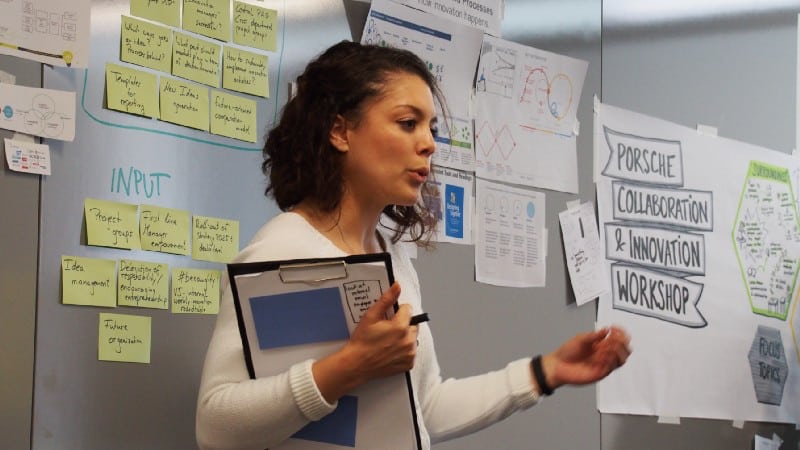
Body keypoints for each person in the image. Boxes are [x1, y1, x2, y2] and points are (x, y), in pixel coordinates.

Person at [195, 40, 631, 450]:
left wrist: (546, 371)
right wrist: (347, 368)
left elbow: (422, 410)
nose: (428, 144)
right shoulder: (284, 252)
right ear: (340, 132)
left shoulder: (392, 257)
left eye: (431, 128)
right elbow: (216, 426)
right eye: (407, 123)